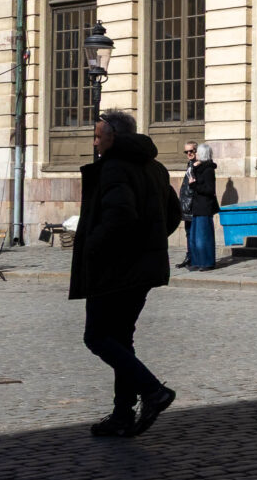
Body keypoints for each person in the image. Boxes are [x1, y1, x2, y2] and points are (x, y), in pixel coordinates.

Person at [71, 110, 183, 438]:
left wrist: (93, 246)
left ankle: (153, 391)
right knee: (121, 339)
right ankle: (122, 415)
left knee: (97, 337)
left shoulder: (114, 168)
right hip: (142, 269)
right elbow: (172, 216)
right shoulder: (155, 167)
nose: (94, 141)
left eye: (98, 135)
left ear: (114, 137)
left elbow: (120, 216)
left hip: (113, 269)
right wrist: (148, 244)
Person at [181, 142, 219, 271]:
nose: (193, 154)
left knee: (204, 237)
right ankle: (197, 261)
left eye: (196, 152)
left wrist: (194, 185)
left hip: (204, 207)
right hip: (197, 206)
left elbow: (209, 190)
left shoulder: (208, 170)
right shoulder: (200, 167)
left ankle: (207, 262)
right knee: (195, 237)